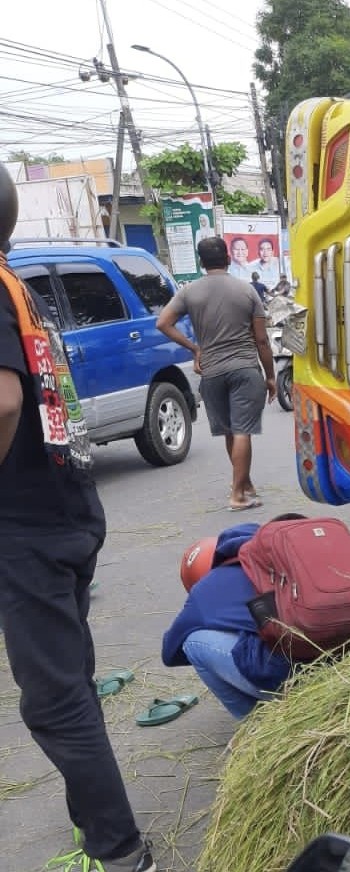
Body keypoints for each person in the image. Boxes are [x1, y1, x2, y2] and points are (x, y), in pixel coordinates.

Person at [0, 165, 156, 871]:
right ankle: (96, 829)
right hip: (68, 505)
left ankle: (121, 852)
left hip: (26, 523)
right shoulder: (16, 285)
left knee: (53, 701)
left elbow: (5, 402)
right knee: (70, 682)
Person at [156, 236, 276, 511]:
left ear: (201, 262)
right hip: (245, 369)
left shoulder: (189, 292)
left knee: (230, 433)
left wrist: (195, 349)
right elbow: (262, 341)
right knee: (243, 431)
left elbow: (163, 322)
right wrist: (270, 377)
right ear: (227, 258)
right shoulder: (247, 291)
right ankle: (237, 495)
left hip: (211, 373)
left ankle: (244, 485)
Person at [163, 519, 301, 719]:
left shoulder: (208, 587)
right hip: (341, 659)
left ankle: (254, 725)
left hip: (292, 679)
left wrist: (219, 618)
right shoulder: (284, 553)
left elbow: (169, 653)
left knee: (192, 643)